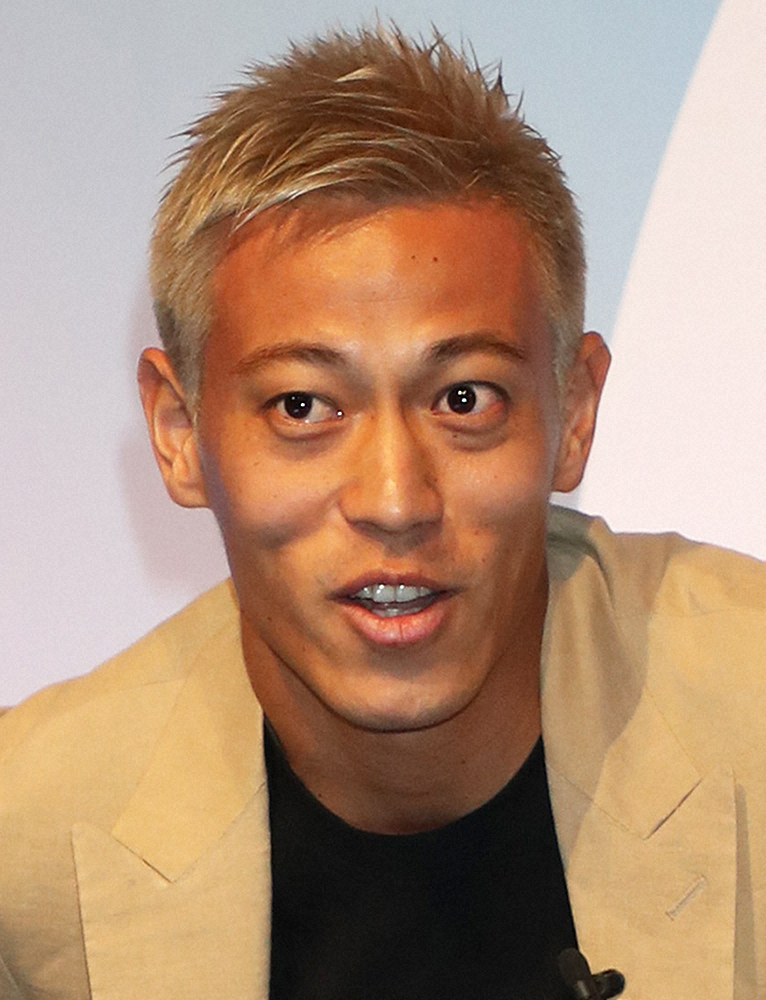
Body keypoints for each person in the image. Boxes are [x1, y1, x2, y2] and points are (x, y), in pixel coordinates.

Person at [0, 25, 763, 1000]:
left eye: (463, 399)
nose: (396, 501)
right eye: (303, 407)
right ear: (179, 431)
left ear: (572, 413)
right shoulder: (26, 843)